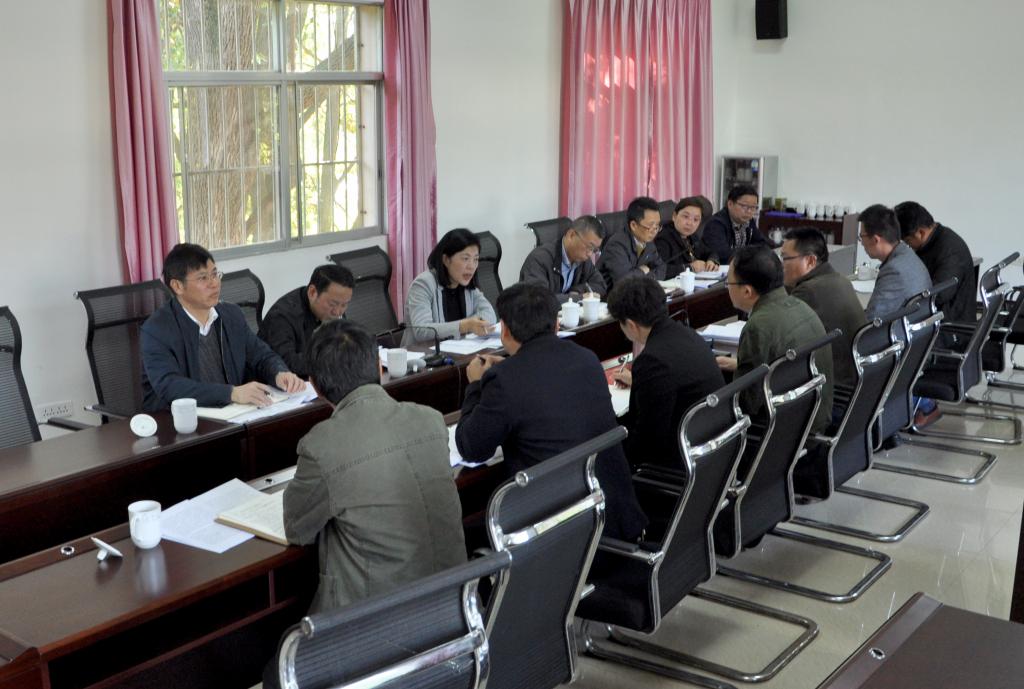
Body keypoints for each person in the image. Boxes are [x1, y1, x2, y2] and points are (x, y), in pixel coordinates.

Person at [282, 320, 466, 613]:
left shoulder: (321, 445)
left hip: (377, 622)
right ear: (380, 368)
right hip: (454, 606)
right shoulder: (431, 419)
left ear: (314, 385)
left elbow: (296, 529)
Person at [455, 283, 647, 541]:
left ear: (505, 330)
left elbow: (471, 448)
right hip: (611, 517)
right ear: (556, 325)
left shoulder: (504, 380)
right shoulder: (587, 359)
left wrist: (476, 385)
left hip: (558, 536)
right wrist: (509, 368)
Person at [141, 243, 305, 412]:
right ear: (178, 286)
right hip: (180, 420)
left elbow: (261, 355)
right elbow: (170, 386)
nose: (214, 284)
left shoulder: (231, 315)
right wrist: (231, 393)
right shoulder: (156, 330)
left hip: (233, 415)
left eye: (215, 274)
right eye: (203, 278)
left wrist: (279, 373)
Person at [607, 275, 724, 469]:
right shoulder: (688, 334)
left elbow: (646, 444)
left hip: (678, 466)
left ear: (631, 324)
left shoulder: (652, 360)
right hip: (711, 452)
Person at [716, 246, 834, 433]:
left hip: (783, 433)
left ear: (747, 291)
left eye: (728, 283)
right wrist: (740, 365)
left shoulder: (758, 327)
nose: (727, 288)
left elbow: (747, 403)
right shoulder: (800, 305)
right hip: (815, 418)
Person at [781, 227, 866, 391]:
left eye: (785, 258)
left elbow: (782, 344)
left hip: (833, 388)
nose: (781, 265)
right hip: (857, 384)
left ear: (810, 261)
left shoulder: (807, 292)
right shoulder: (841, 280)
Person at [258, 264, 354, 378]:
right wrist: (331, 360)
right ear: (312, 292)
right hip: (275, 383)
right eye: (332, 304)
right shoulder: (281, 317)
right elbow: (286, 363)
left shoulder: (328, 311)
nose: (338, 312)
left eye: (344, 305)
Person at [404, 228, 496, 345]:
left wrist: (470, 324)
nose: (472, 266)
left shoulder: (468, 285)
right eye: (466, 259)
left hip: (460, 351)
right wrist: (464, 326)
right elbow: (422, 331)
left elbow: (490, 314)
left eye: (476, 259)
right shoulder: (423, 285)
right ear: (446, 260)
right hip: (424, 353)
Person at [895, 201, 976, 324]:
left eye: (907, 240)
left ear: (920, 233)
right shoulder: (934, 241)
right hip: (938, 316)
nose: (907, 245)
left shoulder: (949, 250)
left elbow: (938, 296)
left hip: (950, 325)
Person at [858, 204, 932, 321]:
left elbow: (874, 320)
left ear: (876, 240)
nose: (861, 243)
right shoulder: (908, 255)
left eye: (862, 236)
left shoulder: (894, 271)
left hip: (898, 330)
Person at [519, 214, 608, 303]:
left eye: (594, 250)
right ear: (571, 235)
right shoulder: (539, 259)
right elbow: (539, 299)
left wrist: (577, 290)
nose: (590, 254)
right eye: (589, 247)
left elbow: (601, 285)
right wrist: (579, 298)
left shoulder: (583, 260)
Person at [596, 196, 666, 291]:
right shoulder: (616, 245)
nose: (654, 231)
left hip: (637, 292)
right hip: (611, 297)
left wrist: (647, 275)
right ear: (633, 225)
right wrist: (642, 271)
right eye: (650, 226)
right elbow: (624, 281)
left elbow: (661, 267)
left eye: (657, 226)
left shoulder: (648, 242)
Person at [654, 196, 720, 279]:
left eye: (696, 219)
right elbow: (659, 270)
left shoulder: (692, 237)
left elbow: (710, 252)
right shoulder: (663, 239)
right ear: (674, 216)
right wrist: (690, 267)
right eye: (685, 217)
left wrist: (712, 260)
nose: (690, 223)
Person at [702, 184, 767, 263]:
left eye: (753, 207)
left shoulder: (748, 221)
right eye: (744, 206)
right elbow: (723, 255)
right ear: (730, 204)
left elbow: (762, 244)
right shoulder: (715, 224)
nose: (749, 211)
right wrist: (751, 252)